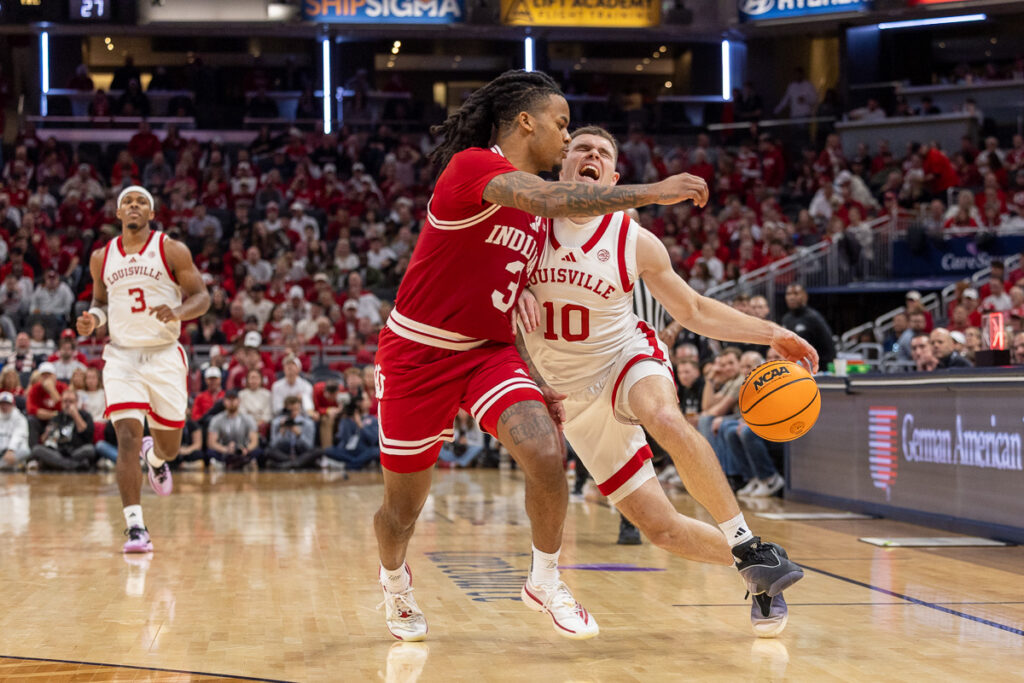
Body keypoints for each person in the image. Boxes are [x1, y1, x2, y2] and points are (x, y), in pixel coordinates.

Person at [372, 70, 708, 643]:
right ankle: (394, 581)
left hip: (489, 354)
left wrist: (538, 372)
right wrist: (651, 192)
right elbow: (551, 197)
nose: (567, 135)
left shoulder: (536, 210)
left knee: (546, 454)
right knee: (402, 510)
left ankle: (545, 580)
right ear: (526, 122)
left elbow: (517, 286)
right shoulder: (475, 167)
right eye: (561, 123)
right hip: (418, 354)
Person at [519, 127, 817, 637]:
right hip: (572, 400)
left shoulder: (633, 240)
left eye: (603, 153)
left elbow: (694, 310)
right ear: (561, 166)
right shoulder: (524, 227)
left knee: (662, 414)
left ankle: (745, 540)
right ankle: (760, 568)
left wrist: (771, 333)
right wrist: (508, 297)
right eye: (581, 149)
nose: (591, 156)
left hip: (623, 356)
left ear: (614, 179)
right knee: (661, 530)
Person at [76, 185, 211, 553]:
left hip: (165, 355)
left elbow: (203, 297)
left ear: (151, 214)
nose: (133, 206)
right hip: (123, 357)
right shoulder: (101, 257)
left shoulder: (171, 249)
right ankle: (136, 527)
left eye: (141, 203)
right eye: (127, 202)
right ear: (118, 213)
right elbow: (101, 301)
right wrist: (93, 319)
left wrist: (178, 311)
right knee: (126, 437)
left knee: (170, 448)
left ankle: (155, 458)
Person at [29, 388, 95, 471]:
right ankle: (75, 465)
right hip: (58, 452)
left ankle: (58, 465)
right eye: (65, 401)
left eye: (71, 401)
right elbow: (43, 440)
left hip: (76, 451)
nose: (67, 404)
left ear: (77, 402)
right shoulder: (57, 417)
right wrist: (46, 433)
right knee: (36, 449)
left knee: (90, 449)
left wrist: (76, 415)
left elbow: (88, 436)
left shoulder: (85, 415)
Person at [781, 284, 835, 369]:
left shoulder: (814, 318)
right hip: (793, 368)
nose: (791, 297)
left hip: (815, 369)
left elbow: (829, 347)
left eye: (796, 293)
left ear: (805, 296)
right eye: (788, 294)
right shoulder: (786, 319)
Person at [206, 389, 260, 469]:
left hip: (243, 450)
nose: (231, 402)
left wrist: (246, 449)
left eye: (234, 399)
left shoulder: (248, 418)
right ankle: (241, 463)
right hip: (224, 451)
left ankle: (239, 463)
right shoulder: (216, 419)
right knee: (210, 452)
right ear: (224, 401)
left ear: (239, 401)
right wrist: (226, 449)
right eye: (229, 399)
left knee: (258, 451)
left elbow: (254, 441)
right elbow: (211, 443)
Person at [262, 395, 320, 470]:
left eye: (296, 409)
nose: (294, 412)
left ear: (300, 409)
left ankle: (286, 464)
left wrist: (299, 434)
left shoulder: (308, 423)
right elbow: (273, 445)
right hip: (284, 453)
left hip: (301, 452)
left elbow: (309, 446)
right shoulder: (276, 422)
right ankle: (296, 463)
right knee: (267, 451)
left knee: (318, 451)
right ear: (285, 409)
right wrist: (281, 431)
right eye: (291, 410)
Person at [0, 391, 30, 471]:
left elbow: (18, 435)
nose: (4, 406)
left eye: (7, 404)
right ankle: (7, 466)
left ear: (12, 405)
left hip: (14, 451)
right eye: (2, 404)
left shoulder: (20, 418)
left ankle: (7, 465)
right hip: (1, 451)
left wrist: (11, 450)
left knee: (25, 451)